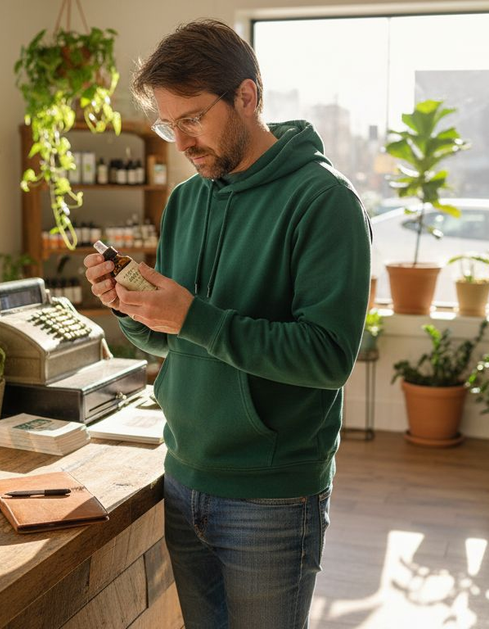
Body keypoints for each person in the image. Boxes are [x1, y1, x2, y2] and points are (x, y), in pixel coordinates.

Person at [84, 19, 370, 629]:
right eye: (169, 125)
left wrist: (195, 316)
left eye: (192, 118)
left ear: (248, 96)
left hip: (273, 492)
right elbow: (171, 337)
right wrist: (128, 304)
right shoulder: (188, 199)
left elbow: (327, 357)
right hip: (184, 475)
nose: (181, 141)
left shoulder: (325, 202)